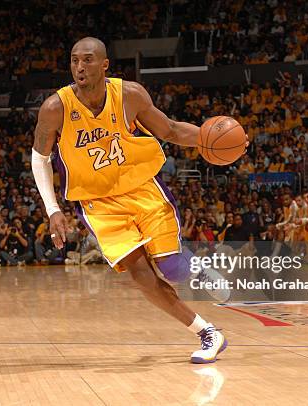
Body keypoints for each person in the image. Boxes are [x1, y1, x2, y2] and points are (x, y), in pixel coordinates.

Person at [32, 37, 246, 364]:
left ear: (104, 65)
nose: (79, 67)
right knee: (142, 278)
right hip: (98, 204)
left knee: (172, 270)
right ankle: (208, 333)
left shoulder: (129, 95)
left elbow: (171, 130)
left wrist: (209, 140)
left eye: (87, 60)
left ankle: (197, 269)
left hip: (141, 189)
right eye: (74, 60)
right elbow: (39, 158)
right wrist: (52, 209)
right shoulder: (55, 108)